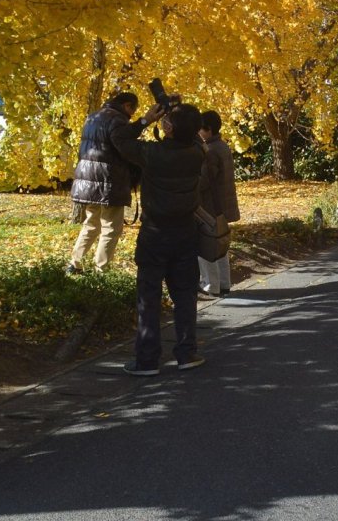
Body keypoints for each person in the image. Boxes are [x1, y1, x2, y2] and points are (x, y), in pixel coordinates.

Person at [123, 101, 210, 376]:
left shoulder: (151, 153)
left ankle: (147, 360)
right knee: (185, 294)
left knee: (149, 297)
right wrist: (182, 120)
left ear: (169, 128)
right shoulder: (197, 153)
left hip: (154, 234)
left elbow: (119, 140)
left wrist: (146, 120)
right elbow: (195, 137)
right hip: (186, 232)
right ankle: (186, 353)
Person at [66, 92, 143, 273]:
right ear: (127, 105)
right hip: (109, 181)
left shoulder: (94, 116)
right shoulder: (117, 119)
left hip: (88, 180)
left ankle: (75, 264)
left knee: (91, 223)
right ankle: (101, 269)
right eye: (133, 110)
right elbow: (124, 145)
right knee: (111, 227)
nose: (132, 115)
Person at [197, 110, 241, 296]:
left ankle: (210, 285)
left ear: (208, 130)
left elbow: (204, 180)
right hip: (222, 204)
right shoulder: (222, 146)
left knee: (207, 245)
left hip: (210, 205)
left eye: (199, 128)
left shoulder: (211, 150)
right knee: (221, 244)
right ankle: (224, 283)